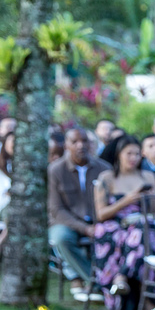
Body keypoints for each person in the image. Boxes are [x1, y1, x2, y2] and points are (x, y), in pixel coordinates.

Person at [92, 135, 155, 310]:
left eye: (137, 154)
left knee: (142, 231)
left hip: (141, 226)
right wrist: (127, 200)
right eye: (129, 153)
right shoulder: (107, 178)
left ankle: (122, 278)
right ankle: (146, 302)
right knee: (138, 236)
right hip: (113, 227)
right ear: (119, 154)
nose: (133, 158)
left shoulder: (147, 177)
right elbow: (101, 214)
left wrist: (149, 198)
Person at [48, 127, 111, 300]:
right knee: (61, 238)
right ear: (66, 145)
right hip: (66, 222)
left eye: (84, 141)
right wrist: (84, 228)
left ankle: (117, 280)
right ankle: (97, 282)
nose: (80, 145)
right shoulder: (55, 170)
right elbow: (56, 209)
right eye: (74, 141)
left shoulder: (103, 168)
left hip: (98, 221)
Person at [0, 131, 12, 261]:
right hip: (1, 206)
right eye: (12, 142)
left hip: (12, 207)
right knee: (14, 216)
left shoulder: (23, 166)